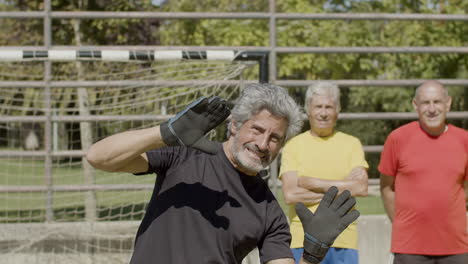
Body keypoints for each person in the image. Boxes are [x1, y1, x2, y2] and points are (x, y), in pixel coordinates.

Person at [85, 83, 360, 264]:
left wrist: (312, 254)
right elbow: (99, 157)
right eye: (257, 129)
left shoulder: (269, 211)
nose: (263, 144)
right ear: (234, 125)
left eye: (275, 138)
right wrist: (165, 133)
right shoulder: (183, 155)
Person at [379, 80, 468, 264]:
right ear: (415, 105)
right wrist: (402, 225)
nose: (432, 108)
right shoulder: (397, 139)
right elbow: (387, 188)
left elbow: (465, 189)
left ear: (448, 103)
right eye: (426, 103)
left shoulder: (464, 140)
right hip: (409, 248)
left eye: (437, 102)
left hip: (456, 247)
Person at [280, 82, 369, 264]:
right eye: (318, 107)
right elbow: (290, 195)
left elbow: (361, 188)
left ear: (337, 110)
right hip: (303, 240)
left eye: (329, 107)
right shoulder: (293, 146)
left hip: (344, 240)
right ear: (308, 110)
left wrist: (313, 183)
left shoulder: (352, 144)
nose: (323, 112)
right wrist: (342, 189)